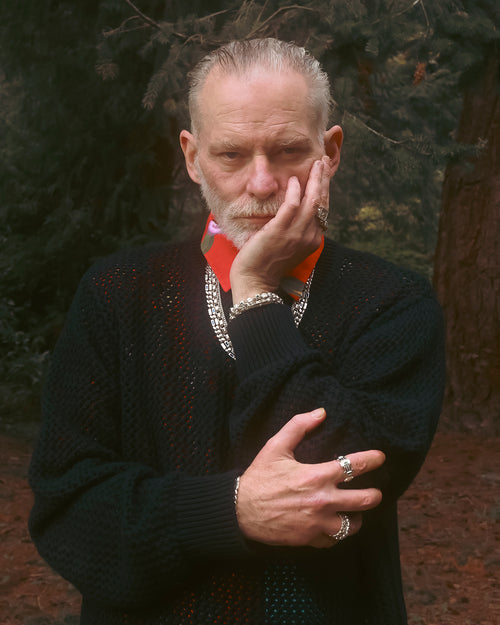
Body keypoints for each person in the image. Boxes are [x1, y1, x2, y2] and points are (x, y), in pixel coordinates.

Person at [29, 38, 445, 625]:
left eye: (287, 151)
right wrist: (230, 512)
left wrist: (254, 294)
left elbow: (352, 481)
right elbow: (68, 512)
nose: (260, 183)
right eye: (230, 155)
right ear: (192, 158)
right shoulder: (118, 293)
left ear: (330, 151)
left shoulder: (392, 302)